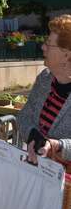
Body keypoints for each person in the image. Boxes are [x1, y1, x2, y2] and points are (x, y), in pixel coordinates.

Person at [17, 14, 71, 165]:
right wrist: (33, 136)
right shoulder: (44, 79)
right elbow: (23, 116)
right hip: (36, 174)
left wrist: (59, 146)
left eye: (48, 43)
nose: (43, 47)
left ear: (66, 55)